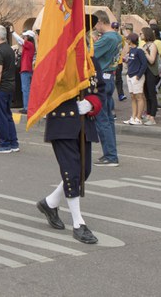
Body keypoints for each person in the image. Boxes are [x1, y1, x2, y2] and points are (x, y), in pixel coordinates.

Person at [36, 16, 106, 245]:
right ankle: (78, 223)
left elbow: (101, 90)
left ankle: (50, 203)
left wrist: (92, 103)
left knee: (83, 171)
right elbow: (44, 90)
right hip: (63, 122)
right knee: (72, 170)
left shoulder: (90, 60)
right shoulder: (55, 59)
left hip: (84, 123)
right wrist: (70, 106)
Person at [92, 11, 122, 166]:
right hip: (110, 76)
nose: (95, 28)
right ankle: (111, 153)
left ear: (100, 22)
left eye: (95, 24)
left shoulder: (107, 38)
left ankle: (110, 155)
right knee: (109, 119)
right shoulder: (117, 36)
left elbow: (90, 53)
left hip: (103, 78)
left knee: (102, 118)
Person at [0, 24, 20, 153]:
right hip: (10, 86)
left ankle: (4, 144)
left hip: (1, 87)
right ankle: (13, 142)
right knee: (7, 115)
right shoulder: (8, 49)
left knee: (0, 117)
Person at [123, 32, 147, 125]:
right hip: (130, 75)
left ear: (131, 40)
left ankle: (138, 117)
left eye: (128, 39)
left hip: (136, 76)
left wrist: (139, 75)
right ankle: (133, 116)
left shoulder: (139, 50)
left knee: (139, 96)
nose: (127, 40)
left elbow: (144, 64)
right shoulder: (130, 50)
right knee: (133, 96)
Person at [140, 27, 160, 126]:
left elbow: (152, 60)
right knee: (146, 94)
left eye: (141, 33)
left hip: (151, 72)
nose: (140, 35)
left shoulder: (153, 45)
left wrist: (145, 52)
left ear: (146, 34)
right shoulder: (144, 45)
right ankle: (148, 114)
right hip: (145, 72)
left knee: (152, 94)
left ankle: (152, 117)